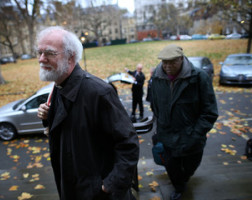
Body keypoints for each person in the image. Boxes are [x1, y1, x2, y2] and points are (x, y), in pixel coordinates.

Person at [36, 26, 139, 200]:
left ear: (71, 57)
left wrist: (109, 185)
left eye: (49, 53)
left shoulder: (99, 92)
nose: (41, 59)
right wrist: (48, 119)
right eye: (39, 52)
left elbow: (128, 143)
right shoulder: (57, 88)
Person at [150, 44, 218, 200]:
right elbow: (155, 104)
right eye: (164, 62)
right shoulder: (156, 78)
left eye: (172, 62)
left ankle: (184, 179)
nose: (167, 66)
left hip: (192, 135)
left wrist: (196, 133)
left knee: (190, 166)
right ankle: (179, 188)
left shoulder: (199, 77)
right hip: (167, 136)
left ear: (181, 59)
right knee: (172, 167)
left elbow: (209, 111)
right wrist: (161, 126)